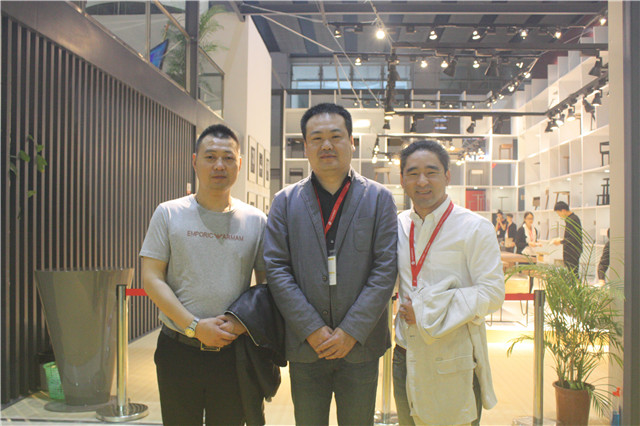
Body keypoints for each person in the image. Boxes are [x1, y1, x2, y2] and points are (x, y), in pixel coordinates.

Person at [264, 103, 398, 425]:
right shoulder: (285, 202)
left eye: (336, 136)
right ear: (305, 146)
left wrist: (351, 330)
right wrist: (311, 328)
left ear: (351, 142)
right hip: (306, 345)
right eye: (317, 138)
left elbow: (385, 268)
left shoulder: (379, 198)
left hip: (361, 345)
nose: (326, 145)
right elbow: (277, 268)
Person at [140, 124, 267, 425]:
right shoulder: (168, 213)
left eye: (228, 157)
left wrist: (241, 323)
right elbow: (151, 278)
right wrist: (195, 327)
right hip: (178, 349)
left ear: (239, 164)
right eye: (210, 157)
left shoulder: (256, 220)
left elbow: (267, 285)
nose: (219, 165)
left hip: (234, 353)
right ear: (195, 161)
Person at [393, 140, 505, 426]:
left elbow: (493, 293)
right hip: (405, 354)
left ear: (447, 176)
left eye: (431, 172)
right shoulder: (397, 225)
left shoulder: (474, 227)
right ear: (402, 180)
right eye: (412, 173)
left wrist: (426, 310)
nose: (422, 181)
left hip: (453, 356)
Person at [553, 201, 583, 274]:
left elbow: (572, 238)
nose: (559, 215)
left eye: (559, 213)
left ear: (563, 210)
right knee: (572, 272)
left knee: (572, 272)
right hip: (573, 250)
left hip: (572, 251)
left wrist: (560, 242)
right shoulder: (573, 218)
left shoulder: (572, 220)